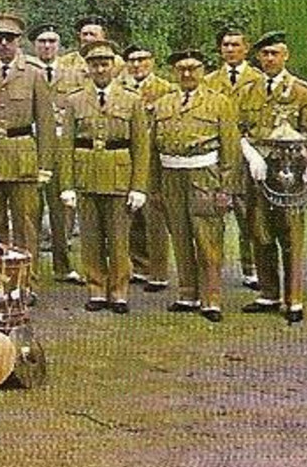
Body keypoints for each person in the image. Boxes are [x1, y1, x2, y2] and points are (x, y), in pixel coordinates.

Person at [237, 31, 307, 324]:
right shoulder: (248, 90)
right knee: (259, 231)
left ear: (286, 56)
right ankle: (268, 292)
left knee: (291, 235)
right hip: (258, 170)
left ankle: (294, 298)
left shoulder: (301, 90)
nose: (270, 59)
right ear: (258, 57)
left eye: (275, 53)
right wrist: (251, 156)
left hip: (290, 171)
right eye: (265, 54)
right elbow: (239, 130)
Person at [59, 42, 149, 314]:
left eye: (105, 64)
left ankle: (119, 291)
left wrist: (139, 187)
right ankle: (96, 289)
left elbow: (141, 146)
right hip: (86, 174)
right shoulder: (75, 100)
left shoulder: (131, 100)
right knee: (91, 238)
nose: (100, 69)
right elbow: (66, 146)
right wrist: (67, 185)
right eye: (95, 64)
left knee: (119, 239)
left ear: (114, 66)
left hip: (119, 175)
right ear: (87, 68)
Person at [0, 12, 57, 276]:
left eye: (9, 38)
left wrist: (45, 165)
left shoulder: (34, 74)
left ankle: (26, 279)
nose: (4, 43)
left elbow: (46, 123)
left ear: (18, 41)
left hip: (22, 157)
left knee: (25, 223)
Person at [151, 49, 238, 322]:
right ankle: (187, 293)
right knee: (179, 235)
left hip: (204, 176)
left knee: (207, 237)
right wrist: (153, 187)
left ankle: (211, 299)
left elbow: (231, 148)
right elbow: (152, 150)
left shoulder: (219, 102)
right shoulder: (163, 104)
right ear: (174, 72)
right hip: (171, 175)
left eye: (193, 68)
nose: (187, 74)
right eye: (181, 69)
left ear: (203, 70)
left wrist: (226, 188)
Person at [202, 26, 260, 291]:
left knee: (250, 215)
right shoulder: (210, 81)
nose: (230, 49)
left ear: (246, 48)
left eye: (236, 45)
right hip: (218, 159)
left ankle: (253, 269)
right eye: (225, 45)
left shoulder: (258, 80)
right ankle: (213, 269)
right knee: (214, 215)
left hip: (249, 158)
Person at [27, 23, 82, 283]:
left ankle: (63, 264)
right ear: (34, 45)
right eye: (41, 42)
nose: (47, 46)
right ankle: (29, 265)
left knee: (61, 207)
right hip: (32, 144)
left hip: (60, 145)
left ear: (59, 45)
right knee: (30, 209)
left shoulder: (72, 74)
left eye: (51, 41)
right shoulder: (25, 72)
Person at [120, 44, 177, 295]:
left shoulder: (166, 89)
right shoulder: (119, 89)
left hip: (154, 159)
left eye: (142, 59)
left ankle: (158, 272)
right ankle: (139, 265)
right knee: (131, 215)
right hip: (127, 157)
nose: (137, 65)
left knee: (155, 216)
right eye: (132, 60)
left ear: (152, 61)